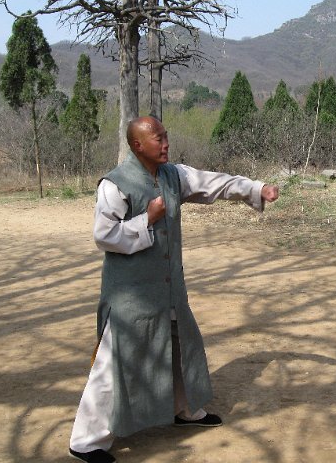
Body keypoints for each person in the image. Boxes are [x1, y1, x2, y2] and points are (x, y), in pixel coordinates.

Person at [69, 116, 279, 463]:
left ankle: (186, 411)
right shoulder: (115, 185)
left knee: (180, 344)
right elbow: (104, 236)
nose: (166, 144)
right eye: (158, 139)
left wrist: (254, 189)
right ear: (137, 146)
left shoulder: (173, 175)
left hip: (168, 286)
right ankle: (87, 440)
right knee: (114, 361)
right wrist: (146, 220)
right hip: (130, 295)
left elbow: (214, 184)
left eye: (166, 137)